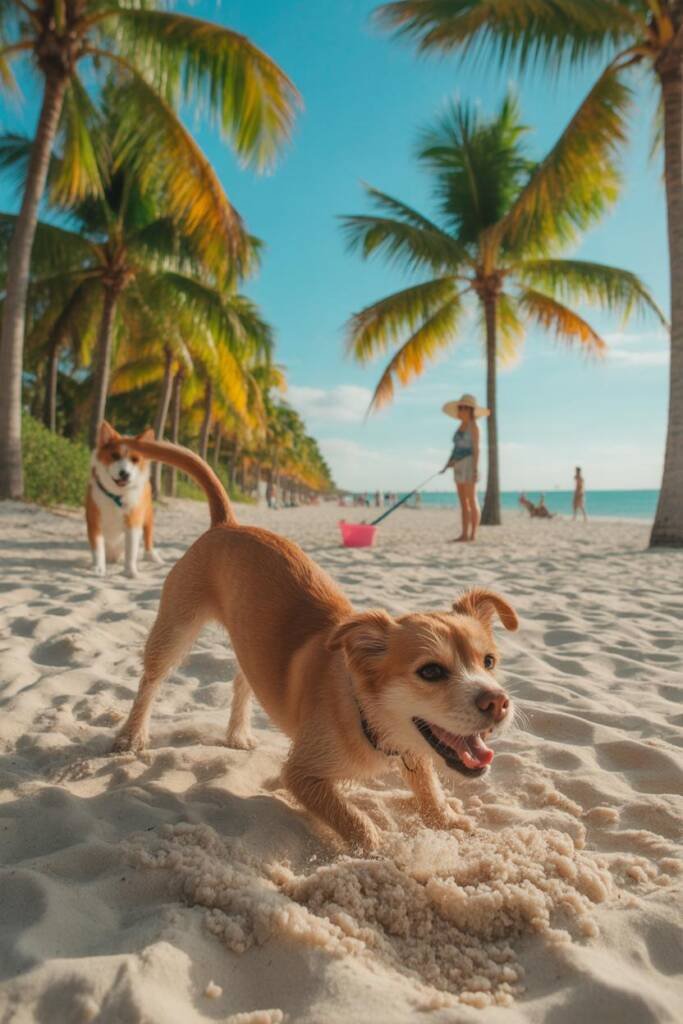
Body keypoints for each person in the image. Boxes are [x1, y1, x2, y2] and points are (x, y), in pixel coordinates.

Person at [440, 393, 489, 542]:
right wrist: (447, 464)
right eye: (459, 407)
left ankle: (473, 534)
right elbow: (455, 449)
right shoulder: (459, 427)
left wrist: (475, 469)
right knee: (463, 502)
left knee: (471, 499)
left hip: (469, 463)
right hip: (458, 465)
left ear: (469, 410)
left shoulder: (474, 426)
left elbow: (476, 448)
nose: (460, 410)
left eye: (462, 408)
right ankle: (464, 534)